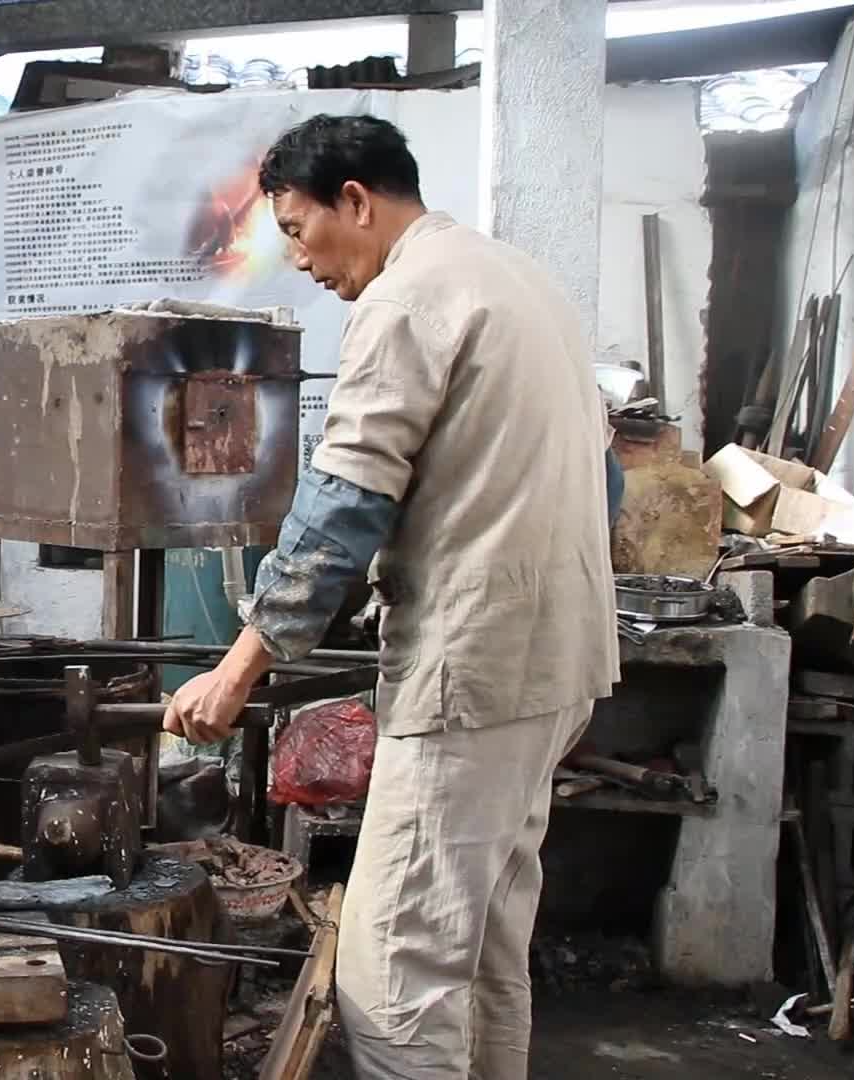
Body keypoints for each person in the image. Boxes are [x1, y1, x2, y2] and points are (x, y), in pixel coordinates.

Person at [163, 114, 619, 1080]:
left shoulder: (407, 299)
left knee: (394, 971)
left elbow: (343, 503)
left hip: (475, 669)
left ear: (357, 202)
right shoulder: (517, 279)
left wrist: (237, 668)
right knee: (485, 945)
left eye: (296, 229)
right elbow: (602, 479)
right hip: (559, 659)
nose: (298, 258)